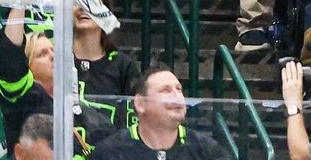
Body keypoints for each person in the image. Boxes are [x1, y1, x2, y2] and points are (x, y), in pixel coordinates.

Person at [91, 67, 226, 160]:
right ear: (140, 103)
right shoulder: (109, 152)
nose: (176, 95)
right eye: (165, 90)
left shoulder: (207, 150)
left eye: (179, 89)